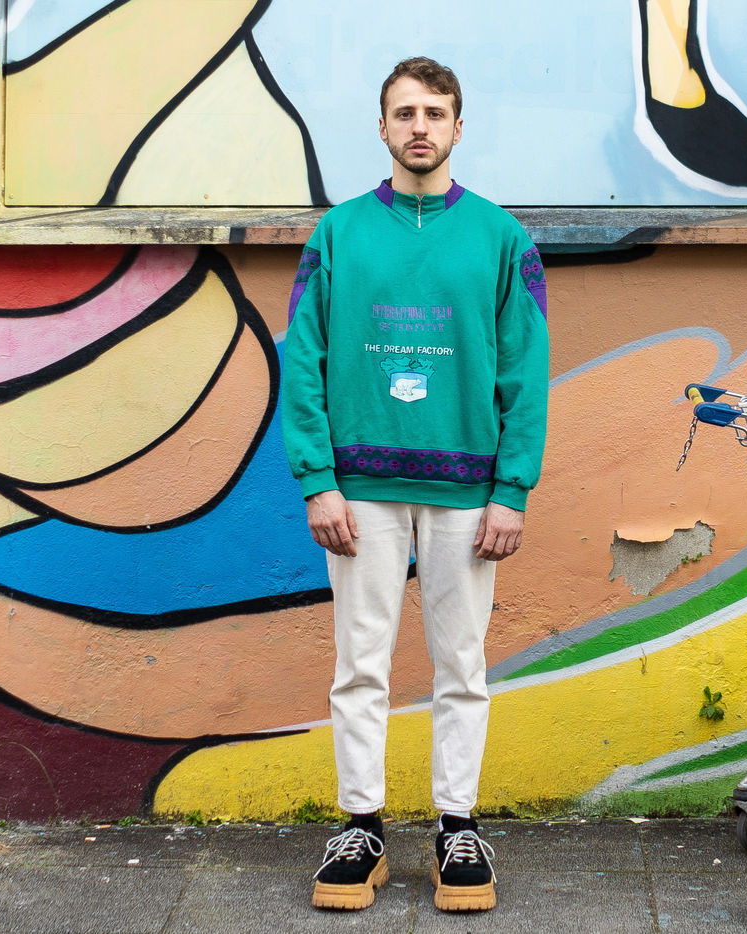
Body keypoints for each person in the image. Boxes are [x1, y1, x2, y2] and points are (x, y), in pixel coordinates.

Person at [281, 56, 549, 913]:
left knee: (461, 665)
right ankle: (361, 828)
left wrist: (512, 489)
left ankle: (456, 828)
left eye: (435, 112)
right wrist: (317, 480)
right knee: (359, 664)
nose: (420, 126)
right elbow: (304, 359)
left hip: (468, 491)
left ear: (458, 127)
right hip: (359, 490)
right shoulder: (338, 235)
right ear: (383, 127)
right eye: (405, 113)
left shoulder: (502, 239)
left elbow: (525, 372)